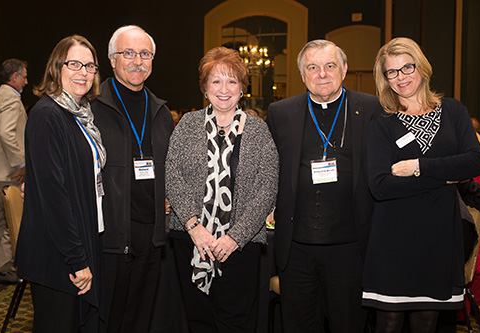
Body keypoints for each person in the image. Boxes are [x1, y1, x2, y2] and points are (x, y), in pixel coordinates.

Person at [361, 37, 480, 332]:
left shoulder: (453, 111)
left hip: (439, 236)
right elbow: (380, 185)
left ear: (422, 68)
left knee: (427, 323)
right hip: (393, 237)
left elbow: (474, 163)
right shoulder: (382, 121)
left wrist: (418, 167)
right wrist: (445, 176)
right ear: (384, 78)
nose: (401, 77)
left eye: (407, 68)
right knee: (388, 324)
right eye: (392, 72)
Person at [266, 39, 380, 332]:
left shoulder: (370, 108)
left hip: (351, 247)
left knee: (349, 325)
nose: (322, 74)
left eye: (330, 66)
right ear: (302, 75)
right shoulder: (281, 112)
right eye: (312, 67)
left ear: (343, 69)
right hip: (296, 248)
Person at [166, 46, 278, 332]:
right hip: (191, 241)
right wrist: (195, 227)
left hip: (240, 247)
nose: (224, 89)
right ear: (205, 87)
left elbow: (267, 187)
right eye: (216, 81)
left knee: (235, 322)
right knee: (197, 320)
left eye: (232, 81)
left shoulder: (258, 130)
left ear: (242, 87)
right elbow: (172, 175)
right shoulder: (187, 125)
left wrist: (234, 238)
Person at [15, 35, 105, 332]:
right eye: (74, 64)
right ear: (57, 67)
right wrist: (77, 260)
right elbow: (55, 197)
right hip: (57, 257)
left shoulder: (80, 116)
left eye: (89, 66)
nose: (83, 72)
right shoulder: (47, 116)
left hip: (74, 244)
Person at [92, 25, 173, 332]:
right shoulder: (92, 106)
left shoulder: (160, 111)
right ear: (112, 60)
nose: (137, 61)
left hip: (150, 237)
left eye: (145, 54)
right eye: (128, 53)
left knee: (140, 320)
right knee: (106, 321)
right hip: (109, 237)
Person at [0, 58, 28, 284]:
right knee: (9, 222)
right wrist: (20, 164)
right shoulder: (10, 99)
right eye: (23, 76)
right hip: (7, 173)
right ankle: (3, 267)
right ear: (14, 78)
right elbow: (6, 134)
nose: (25, 80)